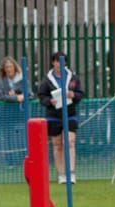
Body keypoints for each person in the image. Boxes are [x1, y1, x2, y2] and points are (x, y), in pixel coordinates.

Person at [37, 51, 84, 184]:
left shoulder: (73, 78)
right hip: (53, 115)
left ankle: (71, 173)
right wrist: (49, 101)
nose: (59, 64)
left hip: (69, 114)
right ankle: (61, 174)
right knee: (57, 144)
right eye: (57, 61)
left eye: (62, 61)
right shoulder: (47, 80)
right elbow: (41, 96)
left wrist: (73, 95)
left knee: (69, 141)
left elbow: (80, 94)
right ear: (53, 62)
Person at [0, 56, 26, 167]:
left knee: (21, 137)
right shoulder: (0, 81)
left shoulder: (23, 80)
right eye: (6, 67)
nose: (8, 69)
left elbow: (29, 94)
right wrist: (16, 98)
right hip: (5, 114)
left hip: (20, 114)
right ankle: (10, 162)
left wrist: (19, 95)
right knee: (7, 138)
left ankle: (23, 160)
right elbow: (0, 96)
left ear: (14, 67)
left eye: (10, 66)